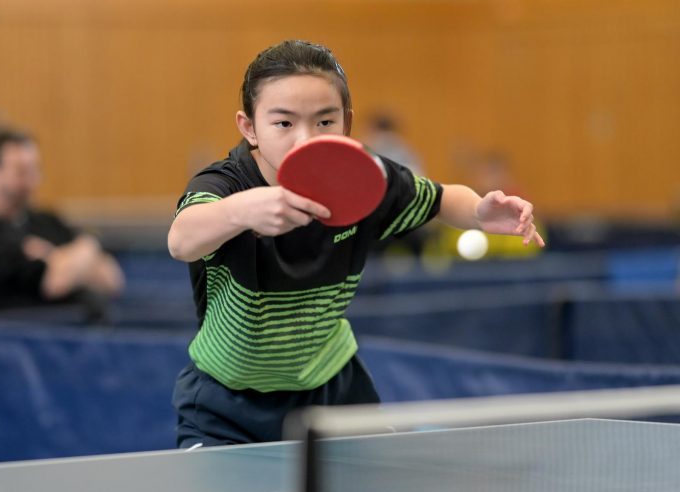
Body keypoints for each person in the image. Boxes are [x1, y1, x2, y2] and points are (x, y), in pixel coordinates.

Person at [167, 40, 544, 448]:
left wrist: (478, 213)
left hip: (333, 392)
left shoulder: (364, 177)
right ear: (249, 128)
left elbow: (440, 198)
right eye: (284, 123)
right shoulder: (226, 184)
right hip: (226, 405)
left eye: (324, 121)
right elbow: (182, 239)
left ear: (346, 122)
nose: (305, 139)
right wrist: (240, 212)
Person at [0, 126, 124, 320]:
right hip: (20, 336)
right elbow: (55, 283)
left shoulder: (45, 221)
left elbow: (111, 278)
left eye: (35, 170)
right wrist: (79, 259)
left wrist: (79, 247)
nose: (32, 182)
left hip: (85, 332)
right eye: (21, 172)